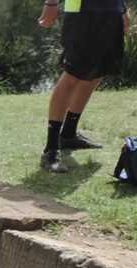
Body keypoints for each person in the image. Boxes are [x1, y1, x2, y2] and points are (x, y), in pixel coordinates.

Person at [38, 0, 130, 173]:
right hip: (82, 12)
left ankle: (68, 135)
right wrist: (51, 4)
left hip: (111, 9)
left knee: (97, 72)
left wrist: (122, 8)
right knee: (72, 75)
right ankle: (51, 150)